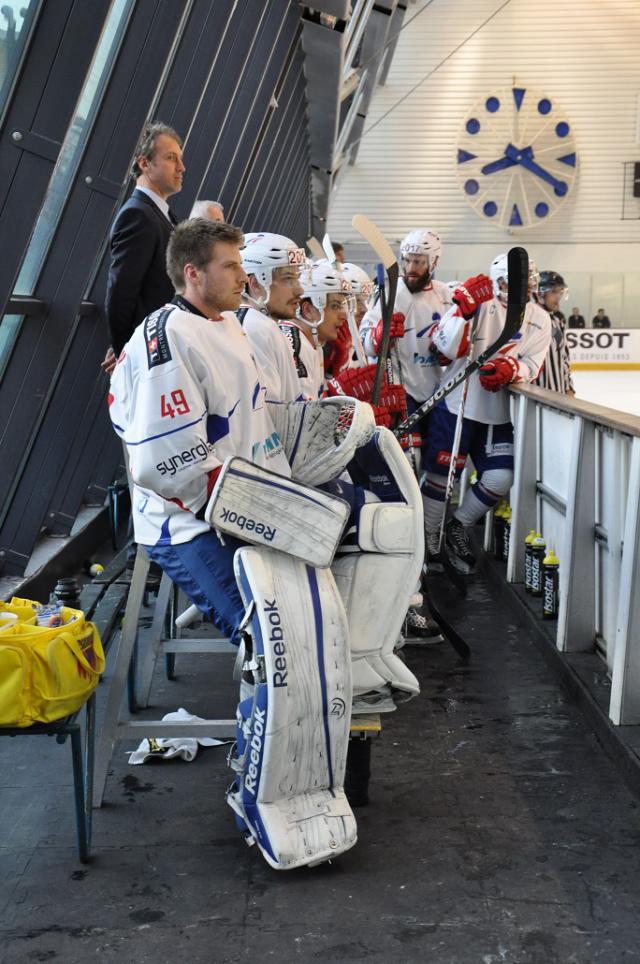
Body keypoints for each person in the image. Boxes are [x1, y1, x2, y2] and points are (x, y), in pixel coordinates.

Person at [423, 254, 551, 574]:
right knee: (440, 479)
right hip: (456, 404)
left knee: (501, 477)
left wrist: (513, 368)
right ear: (496, 281)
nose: (520, 291)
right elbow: (445, 348)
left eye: (526, 284)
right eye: (512, 283)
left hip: (497, 413)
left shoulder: (540, 318)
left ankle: (457, 526)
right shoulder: (479, 303)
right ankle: (427, 541)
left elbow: (533, 365)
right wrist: (461, 313)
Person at [103, 122, 185, 373]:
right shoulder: (138, 216)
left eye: (180, 159)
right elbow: (119, 296)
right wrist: (126, 354)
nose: (182, 167)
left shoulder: (163, 214)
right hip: (150, 357)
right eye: (171, 158)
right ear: (144, 163)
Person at [237, 233, 307, 403]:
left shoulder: (259, 323)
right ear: (255, 283)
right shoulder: (258, 327)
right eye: (288, 279)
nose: (300, 290)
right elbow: (273, 416)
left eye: (297, 279)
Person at [278, 260, 351, 399]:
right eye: (335, 306)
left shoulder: (313, 343)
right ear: (308, 310)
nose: (344, 315)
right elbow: (304, 415)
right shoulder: (296, 346)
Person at [535, 271, 575, 396]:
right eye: (553, 292)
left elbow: (564, 357)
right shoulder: (527, 321)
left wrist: (568, 387)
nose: (558, 296)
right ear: (540, 294)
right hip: (534, 395)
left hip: (558, 394)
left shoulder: (558, 322)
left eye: (560, 292)